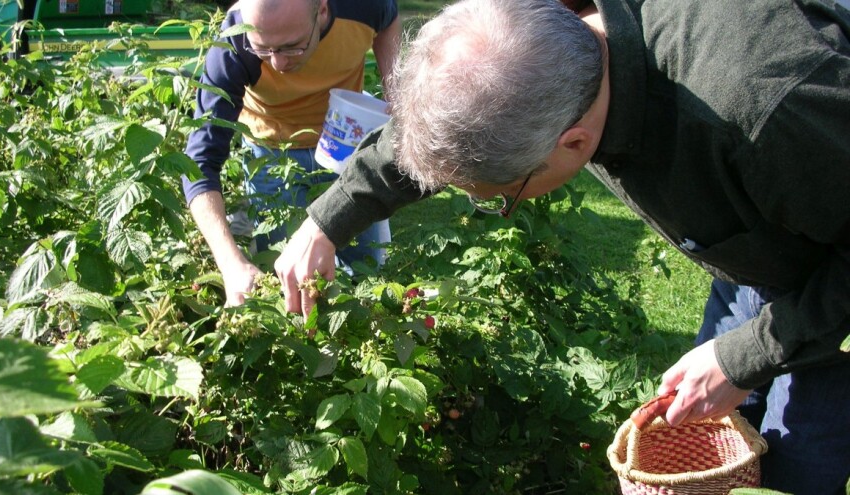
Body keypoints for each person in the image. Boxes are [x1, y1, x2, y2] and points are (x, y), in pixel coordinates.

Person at [272, 0, 850, 493]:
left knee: (801, 463)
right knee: (712, 433)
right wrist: (327, 220)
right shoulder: (533, 33)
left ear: (573, 141)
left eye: (503, 196)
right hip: (758, 241)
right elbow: (460, 101)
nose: (502, 207)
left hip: (830, 264)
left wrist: (749, 353)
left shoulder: (770, 108)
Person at [182, 0, 400, 306]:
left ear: (322, 11)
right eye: (263, 50)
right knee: (286, 282)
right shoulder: (234, 40)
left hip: (346, 141)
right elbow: (199, 162)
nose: (278, 64)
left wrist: (397, 91)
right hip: (273, 154)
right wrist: (231, 265)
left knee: (370, 272)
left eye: (291, 47)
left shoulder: (360, 6)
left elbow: (388, 18)